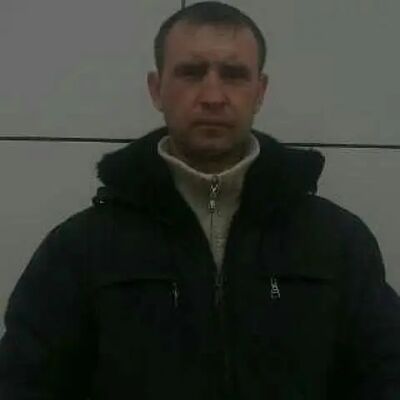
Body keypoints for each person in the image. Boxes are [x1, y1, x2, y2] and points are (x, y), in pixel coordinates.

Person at [0, 1, 399, 399]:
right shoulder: (81, 248)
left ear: (260, 92)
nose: (213, 95)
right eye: (191, 73)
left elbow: (386, 375)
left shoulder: (336, 242)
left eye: (234, 75)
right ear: (156, 89)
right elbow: (23, 384)